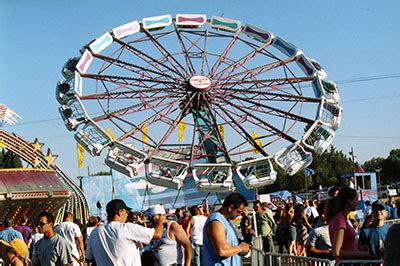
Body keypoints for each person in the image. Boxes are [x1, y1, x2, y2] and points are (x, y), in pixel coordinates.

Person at [85, 199, 166, 265]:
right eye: (126, 211)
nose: (127, 214)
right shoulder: (127, 228)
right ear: (120, 212)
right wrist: (160, 220)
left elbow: (89, 258)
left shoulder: (95, 233)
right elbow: (157, 235)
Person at [203, 192, 251, 265]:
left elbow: (228, 245)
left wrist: (240, 246)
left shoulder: (226, 221)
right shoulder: (216, 222)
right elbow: (222, 251)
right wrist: (241, 247)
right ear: (230, 208)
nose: (239, 215)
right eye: (238, 212)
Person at [325, 187, 371, 260]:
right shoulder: (340, 220)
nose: (358, 202)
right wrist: (362, 254)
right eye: (356, 199)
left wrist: (358, 248)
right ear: (350, 201)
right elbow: (337, 252)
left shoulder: (341, 218)